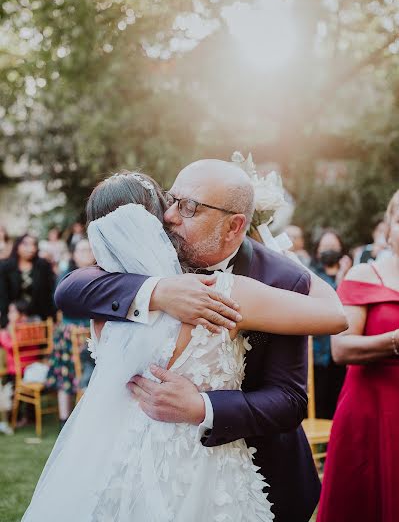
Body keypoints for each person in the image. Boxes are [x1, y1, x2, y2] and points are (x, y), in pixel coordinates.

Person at [51, 163, 347, 522]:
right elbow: (70, 288)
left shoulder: (279, 280)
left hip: (249, 469)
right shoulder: (150, 260)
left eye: (189, 207)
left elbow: (289, 399)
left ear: (235, 226)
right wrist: (157, 292)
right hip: (141, 465)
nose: (170, 216)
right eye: (171, 200)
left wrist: (203, 407)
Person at [317, 190, 399, 522]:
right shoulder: (365, 276)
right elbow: (341, 348)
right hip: (374, 409)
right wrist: (395, 341)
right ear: (390, 226)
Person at [45, 239, 95, 426]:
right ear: (74, 254)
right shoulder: (67, 275)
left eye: (89, 249)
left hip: (92, 331)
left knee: (91, 376)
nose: (86, 253)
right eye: (82, 250)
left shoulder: (103, 272)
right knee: (66, 376)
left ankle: (87, 420)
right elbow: (60, 302)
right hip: (70, 331)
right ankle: (63, 420)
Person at [309, 229, 352, 419]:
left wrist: (344, 275)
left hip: (343, 353)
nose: (329, 251)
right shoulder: (312, 275)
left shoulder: (353, 275)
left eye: (333, 247)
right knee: (320, 403)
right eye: (325, 247)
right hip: (319, 352)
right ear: (317, 251)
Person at [0, 234, 56, 328]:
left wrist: (52, 317)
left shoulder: (43, 266)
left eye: (33, 244)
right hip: (13, 319)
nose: (31, 248)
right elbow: (3, 295)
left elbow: (49, 292)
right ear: (17, 246)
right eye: (26, 244)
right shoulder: (6, 267)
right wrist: (6, 319)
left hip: (39, 318)